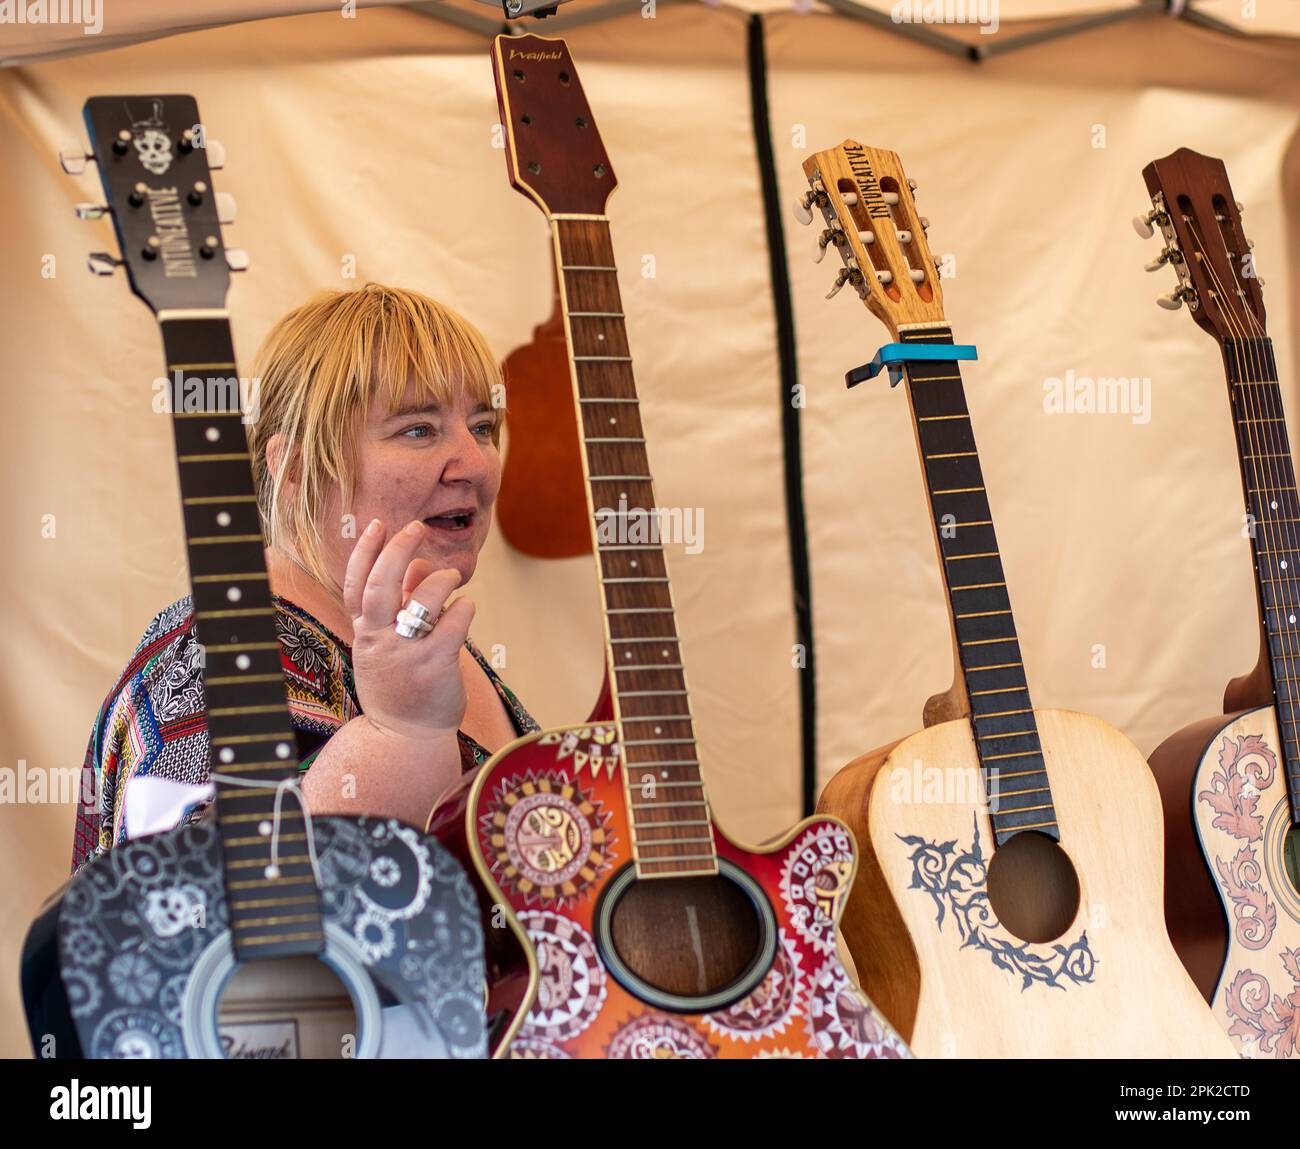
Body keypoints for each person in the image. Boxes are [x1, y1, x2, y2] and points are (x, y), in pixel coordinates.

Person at [71, 284, 538, 873]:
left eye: (482, 426)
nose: (474, 464)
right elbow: (190, 928)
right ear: (293, 468)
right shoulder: (216, 659)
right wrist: (398, 733)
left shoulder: (418, 631)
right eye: (418, 429)